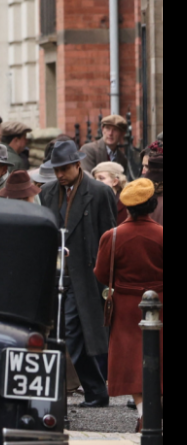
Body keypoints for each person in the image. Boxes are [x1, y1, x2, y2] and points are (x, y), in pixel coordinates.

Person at [38, 139, 117, 407]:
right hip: (57, 277)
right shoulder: (47, 192)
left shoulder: (99, 192)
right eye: (55, 169)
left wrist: (106, 279)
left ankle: (94, 390)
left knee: (72, 335)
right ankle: (92, 391)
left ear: (76, 164)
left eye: (63, 169)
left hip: (85, 276)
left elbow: (109, 236)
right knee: (60, 334)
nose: (59, 174)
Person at [94, 178, 162, 432]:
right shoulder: (162, 235)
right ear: (152, 204)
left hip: (124, 307)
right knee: (160, 358)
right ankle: (154, 413)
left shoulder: (111, 237)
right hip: (159, 305)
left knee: (131, 363)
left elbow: (101, 274)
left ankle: (144, 414)